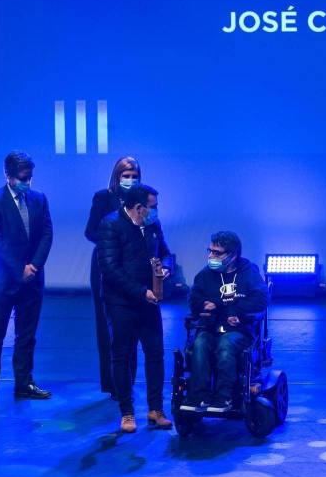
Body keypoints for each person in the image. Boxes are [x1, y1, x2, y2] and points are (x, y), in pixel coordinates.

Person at [0, 151, 54, 406]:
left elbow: (47, 233)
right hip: (2, 281)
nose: (27, 182)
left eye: (30, 177)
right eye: (23, 178)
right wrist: (19, 268)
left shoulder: (39, 198)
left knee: (27, 335)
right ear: (8, 176)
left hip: (32, 279)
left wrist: (34, 266)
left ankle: (24, 383)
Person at [97, 184, 173, 432]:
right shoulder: (111, 225)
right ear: (139, 208)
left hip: (149, 302)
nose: (156, 211)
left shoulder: (152, 225)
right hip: (121, 302)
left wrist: (166, 268)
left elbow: (165, 252)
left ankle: (156, 409)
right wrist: (141, 291)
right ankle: (127, 413)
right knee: (122, 355)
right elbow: (110, 268)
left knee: (155, 354)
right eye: (154, 207)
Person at [182, 231, 269, 412]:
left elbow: (260, 300)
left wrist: (231, 310)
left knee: (226, 344)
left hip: (240, 329)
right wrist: (202, 306)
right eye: (210, 251)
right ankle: (199, 396)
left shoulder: (249, 273)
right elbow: (194, 300)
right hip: (211, 327)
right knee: (200, 343)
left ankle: (224, 397)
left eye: (217, 253)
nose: (211, 256)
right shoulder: (205, 275)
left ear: (232, 255)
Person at [85, 156, 142, 398]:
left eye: (134, 176)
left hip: (133, 266)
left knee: (131, 325)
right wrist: (114, 241)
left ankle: (128, 380)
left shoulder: (142, 199)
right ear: (117, 176)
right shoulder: (103, 197)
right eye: (126, 176)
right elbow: (90, 231)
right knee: (107, 325)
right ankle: (112, 383)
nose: (130, 180)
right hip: (105, 264)